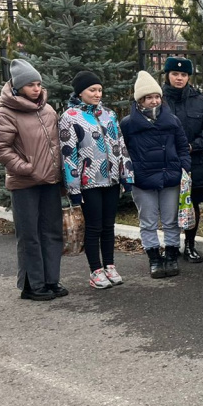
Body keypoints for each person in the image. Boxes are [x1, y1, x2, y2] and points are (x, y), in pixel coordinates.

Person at [0, 58, 66, 301]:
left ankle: (51, 280)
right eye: (31, 85)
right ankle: (33, 285)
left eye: (39, 84)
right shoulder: (7, 112)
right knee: (29, 234)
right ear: (18, 86)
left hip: (50, 182)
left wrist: (61, 175)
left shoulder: (48, 110)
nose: (36, 89)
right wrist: (24, 167)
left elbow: (57, 146)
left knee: (52, 232)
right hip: (25, 183)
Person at [59, 70, 134, 290]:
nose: (97, 93)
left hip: (110, 180)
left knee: (108, 225)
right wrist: (73, 187)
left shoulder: (109, 115)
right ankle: (95, 270)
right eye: (92, 90)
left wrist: (126, 174)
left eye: (100, 89)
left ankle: (109, 265)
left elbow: (120, 145)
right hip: (88, 181)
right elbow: (68, 152)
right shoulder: (70, 117)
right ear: (80, 92)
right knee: (94, 227)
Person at [121, 70, 191, 280]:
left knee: (171, 221)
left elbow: (182, 146)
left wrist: (183, 168)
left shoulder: (172, 120)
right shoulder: (128, 124)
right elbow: (123, 151)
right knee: (148, 221)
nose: (154, 101)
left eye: (157, 97)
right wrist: (131, 175)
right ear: (140, 100)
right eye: (149, 97)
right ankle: (154, 258)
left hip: (170, 178)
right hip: (143, 181)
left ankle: (171, 255)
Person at [161, 56, 203, 263]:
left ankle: (190, 245)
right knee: (168, 205)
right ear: (167, 75)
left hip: (194, 163)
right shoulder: (158, 100)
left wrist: (194, 145)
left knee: (192, 204)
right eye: (175, 74)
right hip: (165, 163)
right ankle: (171, 247)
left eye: (183, 75)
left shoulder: (199, 100)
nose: (179, 78)